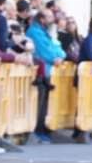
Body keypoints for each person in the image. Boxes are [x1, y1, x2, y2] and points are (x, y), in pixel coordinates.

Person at [26, 8, 66, 143]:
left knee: (45, 103)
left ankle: (43, 129)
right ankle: (37, 130)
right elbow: (43, 51)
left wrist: (60, 56)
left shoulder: (47, 32)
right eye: (49, 17)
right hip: (40, 71)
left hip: (49, 71)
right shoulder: (34, 32)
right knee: (39, 103)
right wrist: (54, 58)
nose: (52, 20)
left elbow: (57, 47)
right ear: (42, 19)